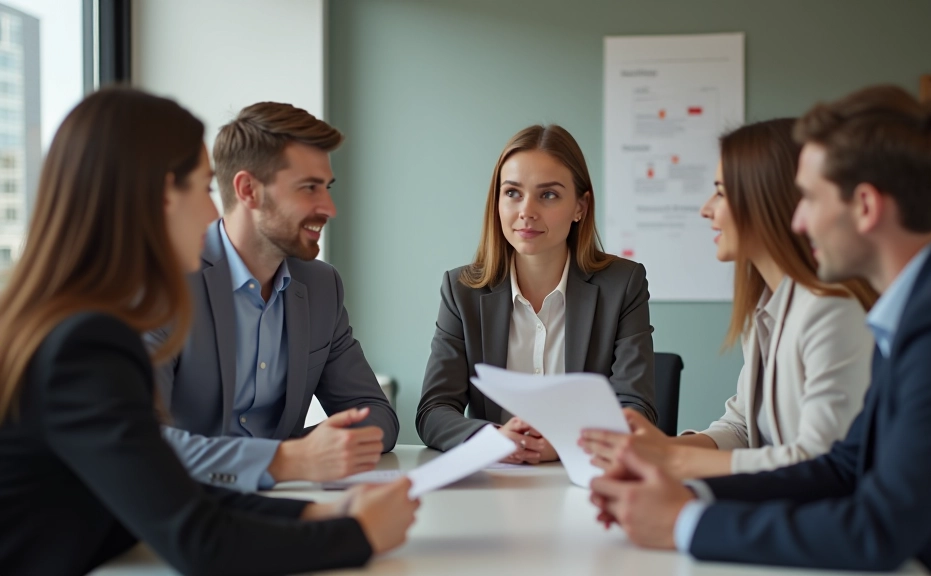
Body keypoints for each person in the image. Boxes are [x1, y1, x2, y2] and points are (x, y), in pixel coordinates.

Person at [587, 85, 931, 576]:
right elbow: (842, 467)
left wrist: (684, 521)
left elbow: (875, 529)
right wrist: (688, 493)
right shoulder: (925, 300)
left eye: (810, 198)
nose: (797, 219)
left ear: (865, 206)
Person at [0, 88, 418, 575]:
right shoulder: (87, 343)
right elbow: (200, 542)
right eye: (201, 188)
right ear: (159, 196)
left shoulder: (66, 323)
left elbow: (168, 489)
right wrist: (358, 535)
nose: (209, 212)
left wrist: (318, 511)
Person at [580, 119, 875, 480]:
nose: (706, 209)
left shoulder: (832, 311)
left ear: (767, 200)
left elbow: (818, 459)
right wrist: (657, 448)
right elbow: (743, 428)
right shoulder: (769, 307)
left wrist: (672, 462)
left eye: (720, 192)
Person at [146, 102, 398, 492]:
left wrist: (305, 455)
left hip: (283, 500)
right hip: (187, 512)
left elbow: (378, 414)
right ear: (248, 190)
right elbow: (143, 442)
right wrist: (290, 460)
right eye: (309, 188)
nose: (329, 209)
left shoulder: (321, 286)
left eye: (327, 188)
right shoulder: (166, 282)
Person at [416, 124, 657, 463]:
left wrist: (565, 444)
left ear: (580, 207)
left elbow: (637, 409)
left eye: (548, 195)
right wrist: (494, 439)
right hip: (496, 481)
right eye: (513, 193)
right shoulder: (462, 291)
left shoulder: (623, 284)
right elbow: (433, 411)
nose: (526, 211)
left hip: (585, 482)